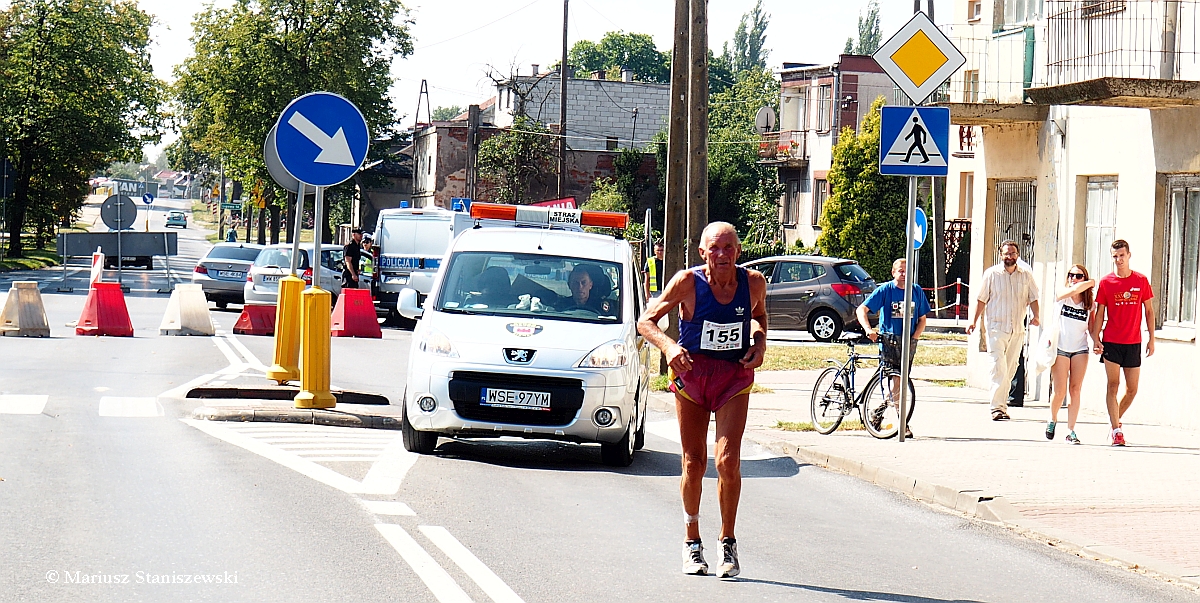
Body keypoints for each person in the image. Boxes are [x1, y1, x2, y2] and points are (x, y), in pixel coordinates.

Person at [637, 222, 768, 578]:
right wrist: (669, 346)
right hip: (692, 377)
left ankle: (728, 541)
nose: (722, 255)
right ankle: (692, 541)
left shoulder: (753, 282)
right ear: (702, 253)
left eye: (729, 248)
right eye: (715, 249)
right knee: (694, 463)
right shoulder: (687, 282)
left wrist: (759, 343)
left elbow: (758, 316)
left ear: (739, 251)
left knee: (727, 461)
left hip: (732, 379)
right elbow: (645, 321)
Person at [1090, 239, 1155, 447]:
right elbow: (1100, 313)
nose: (1119, 260)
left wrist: (1152, 338)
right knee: (1113, 385)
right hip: (1112, 341)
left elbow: (1149, 311)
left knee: (1132, 389)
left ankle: (1114, 421)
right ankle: (1117, 431)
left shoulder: (1141, 280)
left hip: (1133, 341)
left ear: (1129, 255)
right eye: (1115, 256)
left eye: (1122, 256)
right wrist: (1096, 337)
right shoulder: (1107, 282)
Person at [966, 240, 1040, 421]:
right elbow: (981, 299)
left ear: (1018, 255)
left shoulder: (1026, 275)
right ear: (1001, 255)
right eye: (1006, 254)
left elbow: (1034, 297)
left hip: (1017, 330)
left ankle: (1002, 405)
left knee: (1010, 368)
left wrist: (1036, 316)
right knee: (998, 367)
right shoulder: (991, 274)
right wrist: (973, 322)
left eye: (1013, 253)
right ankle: (996, 408)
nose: (1010, 257)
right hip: (996, 329)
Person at [855, 258, 929, 439]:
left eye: (907, 271)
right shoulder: (885, 290)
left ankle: (878, 412)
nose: (904, 274)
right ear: (893, 272)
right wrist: (868, 330)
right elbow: (861, 310)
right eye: (900, 271)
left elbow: (922, 319)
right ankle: (902, 423)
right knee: (897, 380)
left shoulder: (916, 291)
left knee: (900, 381)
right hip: (889, 341)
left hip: (908, 342)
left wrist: (915, 337)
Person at [1047, 264, 1096, 444]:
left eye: (1078, 276)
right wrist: (1090, 282)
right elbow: (1065, 292)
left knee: (1075, 390)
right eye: (1071, 275)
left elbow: (1091, 328)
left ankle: (1071, 430)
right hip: (1060, 348)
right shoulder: (1063, 296)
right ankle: (1052, 419)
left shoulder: (1089, 304)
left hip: (1080, 349)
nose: (1073, 279)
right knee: (1060, 391)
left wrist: (1096, 341)